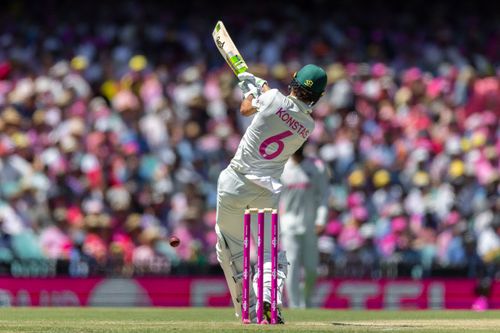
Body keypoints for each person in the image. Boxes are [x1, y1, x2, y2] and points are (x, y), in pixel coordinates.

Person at [215, 65, 327, 323]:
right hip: (267, 191)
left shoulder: (273, 97)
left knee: (230, 247)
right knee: (269, 252)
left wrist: (250, 91)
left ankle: (250, 309)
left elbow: (246, 109)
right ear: (318, 97)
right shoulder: (307, 125)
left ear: (293, 81)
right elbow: (281, 106)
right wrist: (260, 88)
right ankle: (270, 303)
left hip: (236, 182)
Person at [280, 144, 329, 308]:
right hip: (288, 226)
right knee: (292, 265)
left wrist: (321, 220)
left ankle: (306, 301)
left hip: (310, 225)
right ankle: (294, 306)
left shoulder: (316, 167)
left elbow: (323, 196)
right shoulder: (282, 168)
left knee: (311, 269)